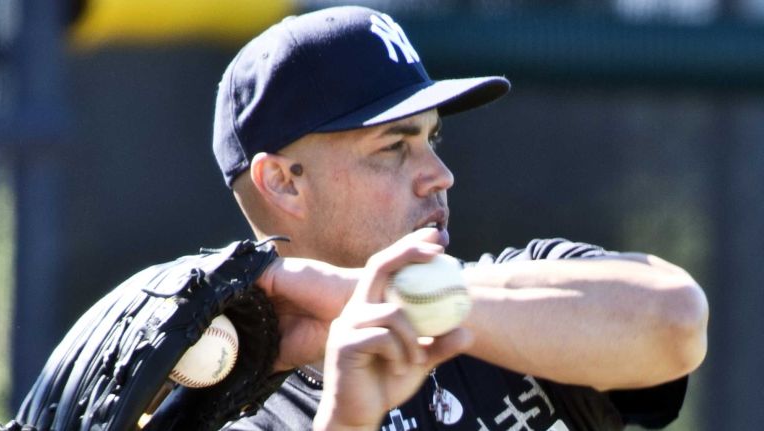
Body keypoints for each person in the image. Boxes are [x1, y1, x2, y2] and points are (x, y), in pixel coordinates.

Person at [211, 5, 709, 430]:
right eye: (394, 147)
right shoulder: (226, 403)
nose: (440, 174)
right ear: (284, 182)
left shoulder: (510, 292)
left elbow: (677, 320)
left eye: (432, 139)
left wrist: (381, 297)